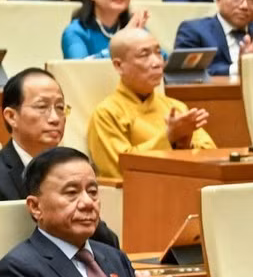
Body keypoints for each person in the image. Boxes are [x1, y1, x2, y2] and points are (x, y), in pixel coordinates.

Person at [0, 146, 185, 277]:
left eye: (93, 192)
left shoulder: (114, 258)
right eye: (71, 193)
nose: (87, 202)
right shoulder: (20, 268)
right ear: (35, 207)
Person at [0, 70, 121, 252]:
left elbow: (109, 245)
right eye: (42, 107)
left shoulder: (74, 171)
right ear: (11, 116)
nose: (55, 118)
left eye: (60, 107)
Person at [86, 27, 214, 180]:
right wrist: (168, 137)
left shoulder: (176, 107)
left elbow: (211, 156)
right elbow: (120, 169)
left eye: (159, 53)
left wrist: (183, 146)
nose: (157, 63)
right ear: (119, 65)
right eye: (144, 55)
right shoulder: (107, 113)